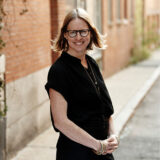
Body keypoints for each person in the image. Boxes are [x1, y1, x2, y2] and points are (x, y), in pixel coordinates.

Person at [45, 8, 119, 160]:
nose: (78, 37)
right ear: (65, 34)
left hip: (103, 151)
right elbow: (60, 122)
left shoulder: (92, 63)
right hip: (76, 153)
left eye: (83, 31)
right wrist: (97, 145)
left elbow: (105, 110)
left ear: (90, 33)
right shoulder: (59, 70)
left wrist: (113, 136)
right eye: (73, 32)